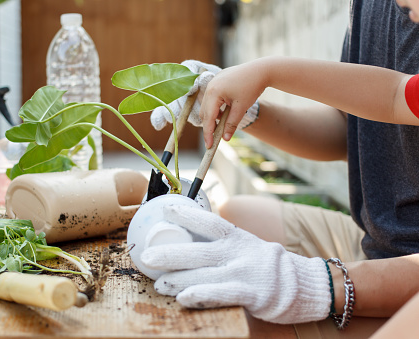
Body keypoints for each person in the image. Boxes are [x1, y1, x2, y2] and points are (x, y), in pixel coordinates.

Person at [145, 0, 419, 337]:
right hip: (376, 240)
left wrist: (317, 284)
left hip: (409, 271)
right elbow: (378, 110)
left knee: (242, 314)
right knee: (232, 223)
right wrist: (249, 107)